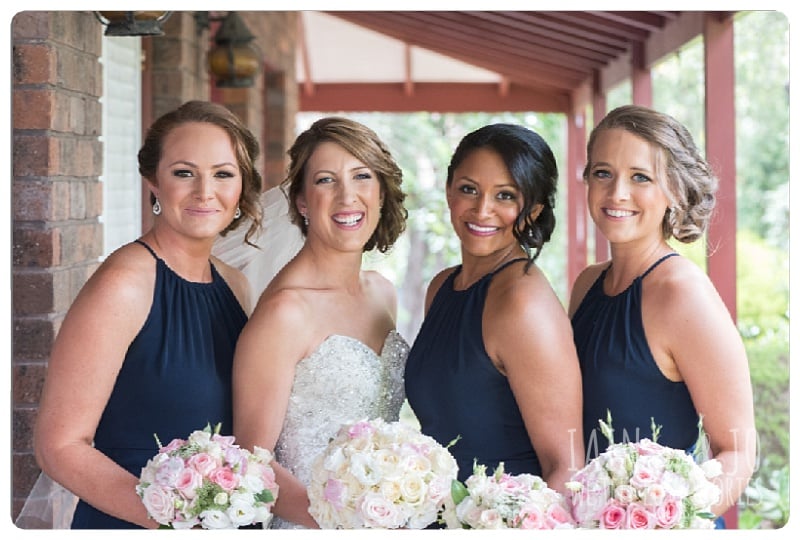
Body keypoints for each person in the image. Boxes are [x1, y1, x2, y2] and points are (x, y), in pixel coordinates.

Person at [31, 100, 262, 529]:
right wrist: (175, 523)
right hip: (134, 522)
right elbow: (58, 446)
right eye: (183, 172)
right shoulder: (125, 283)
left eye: (223, 174)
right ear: (153, 183)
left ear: (241, 187)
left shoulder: (235, 285)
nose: (204, 191)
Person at [568, 104, 756, 521]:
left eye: (640, 177)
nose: (617, 192)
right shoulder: (587, 284)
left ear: (672, 190)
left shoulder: (682, 295)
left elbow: (739, 450)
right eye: (603, 173)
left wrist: (670, 521)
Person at [231, 116, 410, 529]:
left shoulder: (382, 294)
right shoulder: (285, 313)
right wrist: (347, 521)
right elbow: (252, 464)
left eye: (362, 176)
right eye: (326, 180)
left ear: (381, 192)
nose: (348, 196)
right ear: (302, 201)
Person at [404, 123, 584, 496]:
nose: (482, 210)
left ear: (533, 210)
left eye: (505, 196)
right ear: (449, 191)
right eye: (469, 189)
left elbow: (565, 468)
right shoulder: (441, 287)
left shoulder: (523, 303)